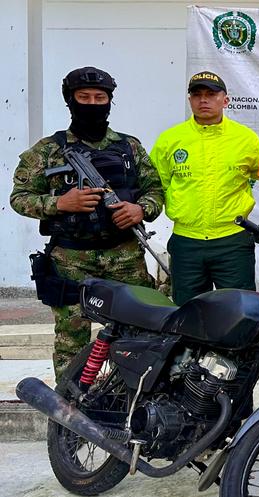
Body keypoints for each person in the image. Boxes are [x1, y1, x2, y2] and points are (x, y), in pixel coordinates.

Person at [10, 66, 164, 377]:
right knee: (72, 339)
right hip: (71, 260)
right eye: (84, 97)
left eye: (100, 97)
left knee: (141, 333)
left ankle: (130, 398)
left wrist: (140, 210)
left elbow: (155, 190)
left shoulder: (129, 147)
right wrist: (60, 203)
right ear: (70, 100)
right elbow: (19, 197)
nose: (93, 103)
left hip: (125, 258)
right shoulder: (47, 150)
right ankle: (70, 405)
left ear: (109, 101)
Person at [151, 71, 259, 305]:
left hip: (232, 241)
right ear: (189, 99)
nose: (204, 100)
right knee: (187, 312)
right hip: (186, 241)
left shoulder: (246, 139)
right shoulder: (170, 140)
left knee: (238, 311)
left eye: (211, 94)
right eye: (197, 95)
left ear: (225, 100)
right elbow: (154, 185)